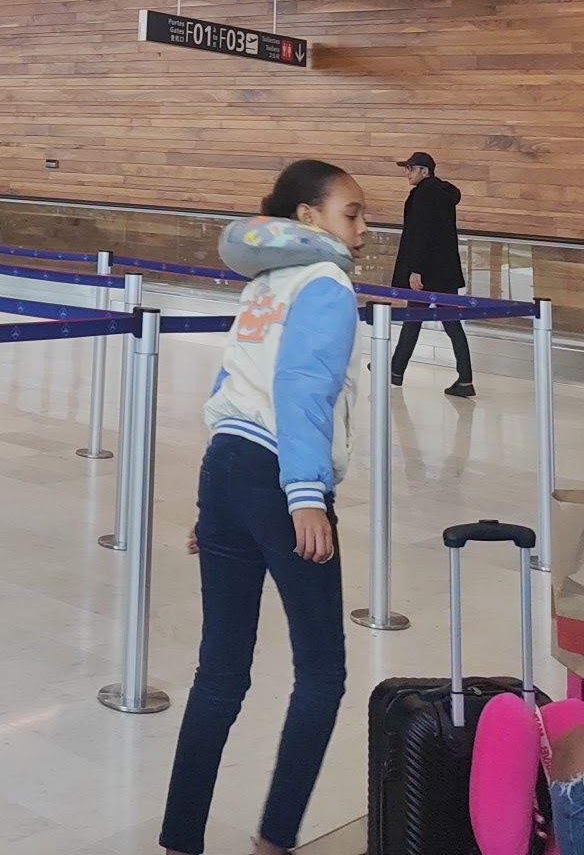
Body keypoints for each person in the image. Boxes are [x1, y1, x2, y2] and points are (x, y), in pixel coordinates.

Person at [160, 159, 368, 855]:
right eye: (352, 213)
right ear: (308, 217)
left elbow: (231, 383)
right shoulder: (325, 282)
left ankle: (180, 840)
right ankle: (274, 840)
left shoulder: (264, 285)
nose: (364, 229)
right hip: (280, 475)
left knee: (219, 672)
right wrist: (305, 494)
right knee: (323, 673)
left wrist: (215, 505)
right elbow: (303, 385)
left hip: (225, 467)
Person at [390, 149, 474, 398]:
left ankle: (395, 370)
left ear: (424, 171)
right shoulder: (443, 194)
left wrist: (415, 269)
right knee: (449, 323)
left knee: (413, 319)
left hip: (426, 273)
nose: (407, 174)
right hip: (445, 272)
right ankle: (465, 379)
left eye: (410, 169)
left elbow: (422, 233)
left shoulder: (424, 194)